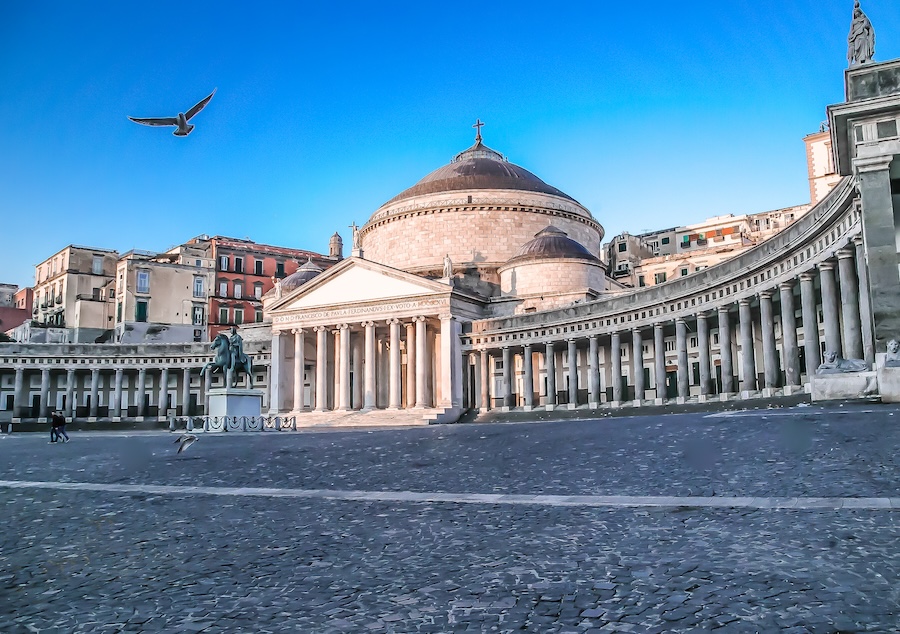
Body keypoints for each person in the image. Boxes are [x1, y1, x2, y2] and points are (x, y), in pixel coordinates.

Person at [848, 1, 875, 66]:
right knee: (857, 48)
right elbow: (851, 30)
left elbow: (867, 25)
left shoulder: (864, 19)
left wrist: (862, 27)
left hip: (863, 34)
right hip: (856, 36)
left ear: (860, 12)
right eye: (855, 13)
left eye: (857, 12)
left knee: (864, 45)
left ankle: (865, 58)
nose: (856, 13)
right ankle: (858, 59)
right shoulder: (853, 22)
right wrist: (851, 36)